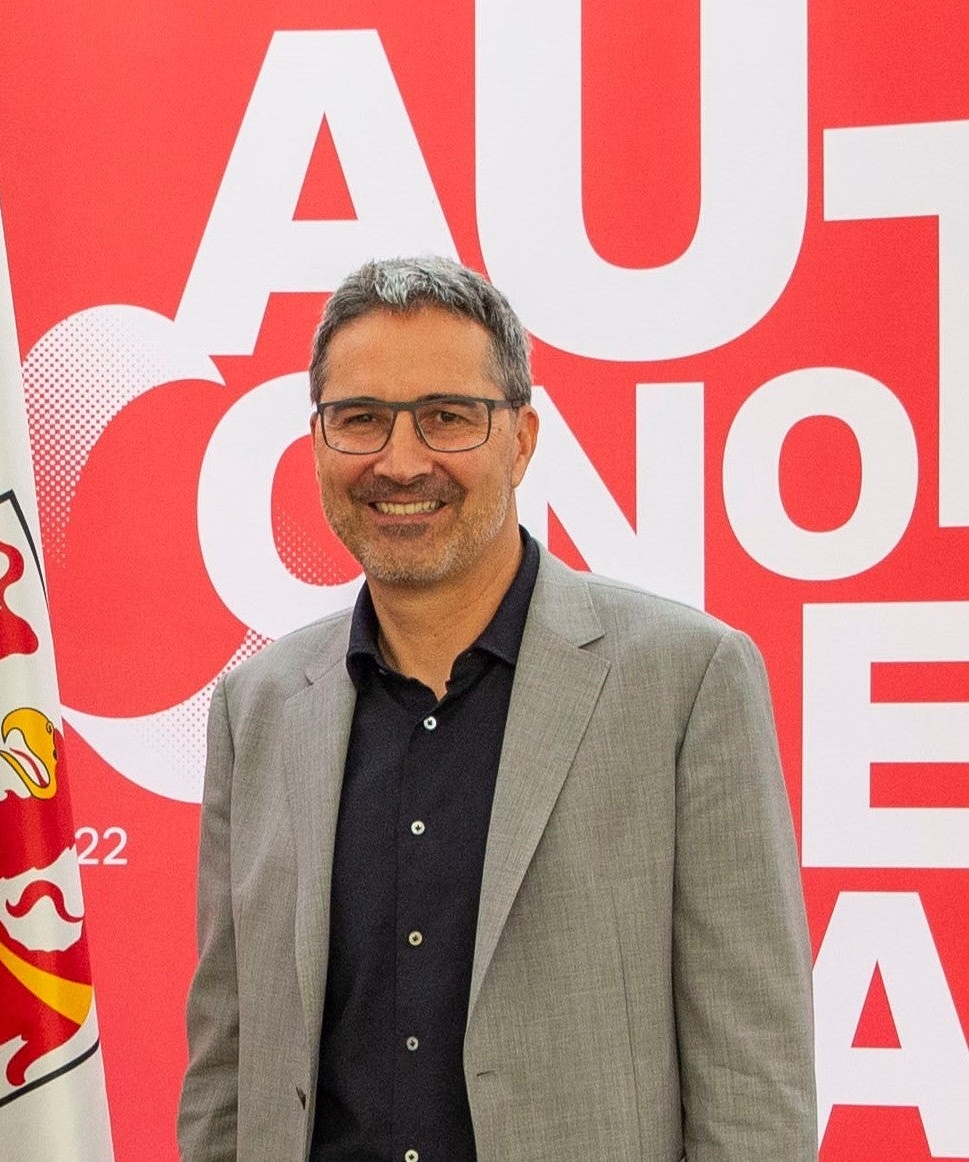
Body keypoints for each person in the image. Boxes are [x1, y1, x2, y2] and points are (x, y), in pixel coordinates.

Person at [178, 255, 815, 1161]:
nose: (401, 462)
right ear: (319, 444)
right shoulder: (261, 706)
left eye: (447, 417)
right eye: (360, 420)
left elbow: (755, 1085)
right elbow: (227, 1061)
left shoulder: (688, 682)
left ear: (520, 438)